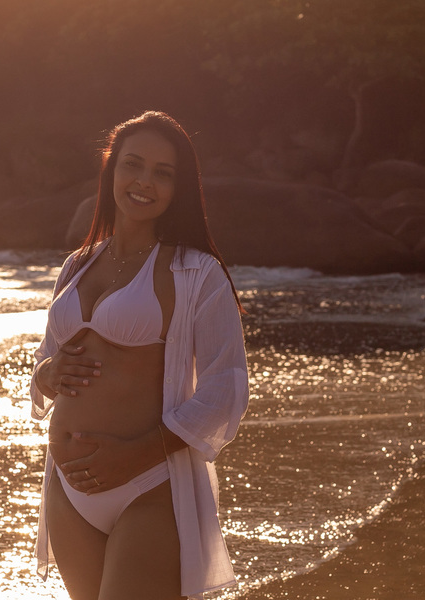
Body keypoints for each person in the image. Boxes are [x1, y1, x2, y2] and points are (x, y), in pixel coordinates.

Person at [30, 110, 250, 600]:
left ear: (180, 188)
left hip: (149, 485)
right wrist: (47, 373)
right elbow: (48, 361)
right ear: (112, 170)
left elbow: (225, 388)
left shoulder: (196, 273)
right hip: (67, 487)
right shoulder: (77, 265)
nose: (144, 182)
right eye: (133, 165)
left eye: (162, 173)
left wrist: (135, 455)